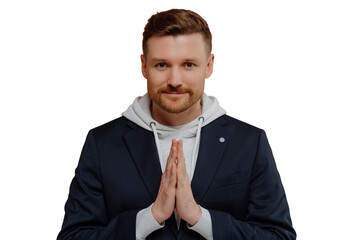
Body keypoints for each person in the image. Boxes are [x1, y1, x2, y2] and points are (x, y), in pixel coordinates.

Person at [57, 9, 296, 240]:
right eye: (162, 65)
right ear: (144, 66)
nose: (174, 80)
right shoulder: (102, 144)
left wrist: (199, 218)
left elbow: (279, 236)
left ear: (209, 66)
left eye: (188, 65)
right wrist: (149, 217)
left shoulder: (249, 143)